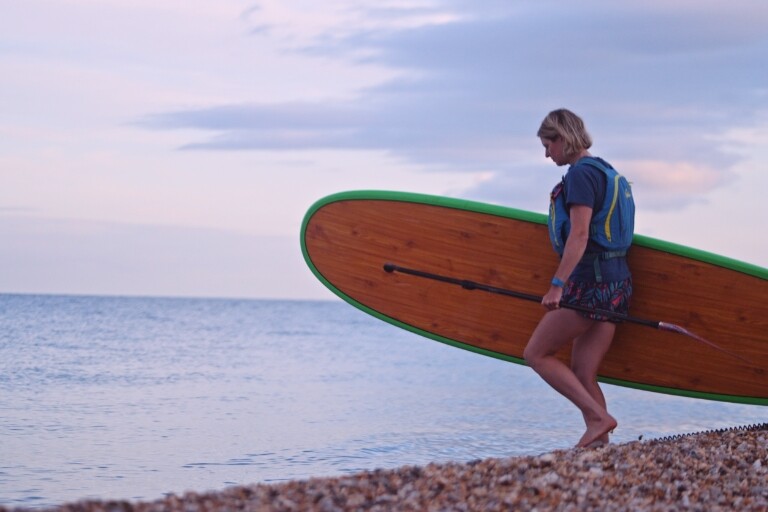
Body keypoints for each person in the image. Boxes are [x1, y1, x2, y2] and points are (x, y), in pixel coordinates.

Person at [523, 109, 634, 448]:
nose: (546, 154)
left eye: (548, 144)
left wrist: (557, 285)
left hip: (591, 283)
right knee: (584, 371)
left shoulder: (580, 176)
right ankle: (600, 445)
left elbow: (580, 235)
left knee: (536, 354)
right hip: (618, 282)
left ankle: (599, 419)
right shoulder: (606, 170)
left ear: (562, 138)